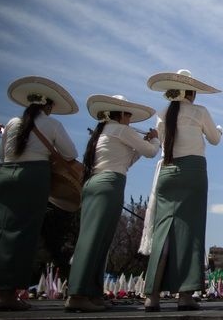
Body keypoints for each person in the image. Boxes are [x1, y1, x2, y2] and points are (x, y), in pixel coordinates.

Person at [0, 76, 78, 311]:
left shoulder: (14, 122)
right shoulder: (52, 124)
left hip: (7, 175)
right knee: (22, 233)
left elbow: (3, 155)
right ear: (47, 106)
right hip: (34, 176)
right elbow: (70, 153)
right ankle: (7, 294)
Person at [64, 95, 160, 312]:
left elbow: (126, 161)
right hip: (109, 184)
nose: (131, 119)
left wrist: (142, 144)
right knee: (95, 239)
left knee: (99, 239)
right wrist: (155, 139)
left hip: (98, 183)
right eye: (129, 115)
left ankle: (92, 292)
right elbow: (151, 152)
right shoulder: (121, 130)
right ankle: (78, 294)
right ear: (122, 114)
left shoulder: (105, 132)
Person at [139, 69, 223, 312]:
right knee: (191, 231)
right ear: (191, 93)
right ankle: (185, 294)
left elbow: (162, 141)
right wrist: (220, 130)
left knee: (163, 230)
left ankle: (151, 295)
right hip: (193, 172)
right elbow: (215, 139)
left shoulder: (163, 113)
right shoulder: (199, 111)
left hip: (167, 172)